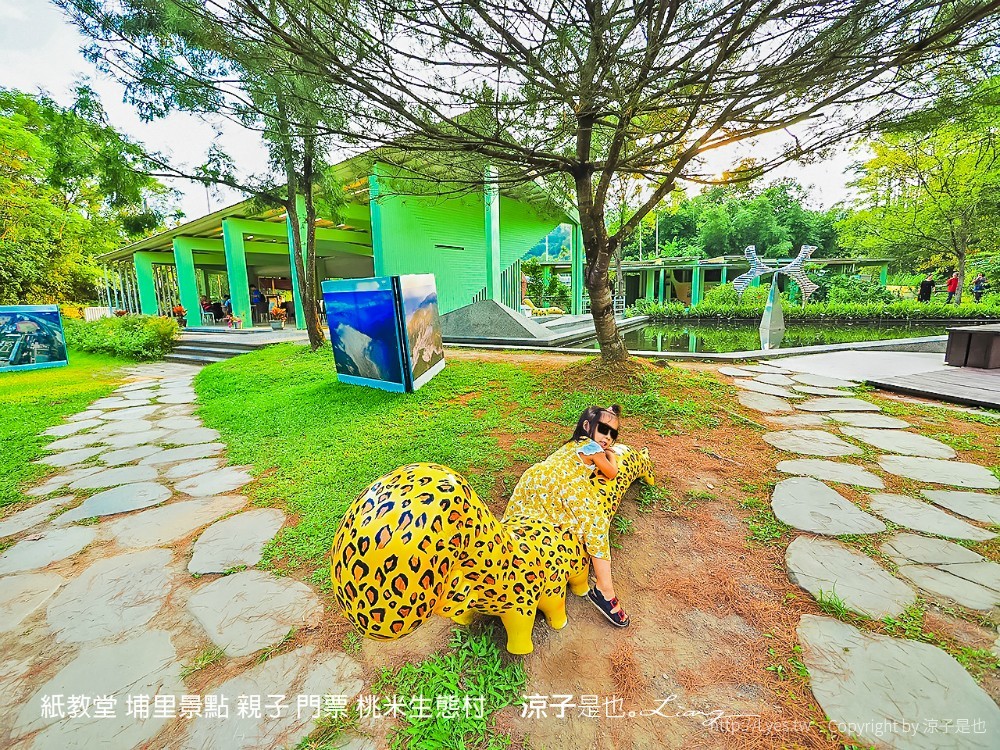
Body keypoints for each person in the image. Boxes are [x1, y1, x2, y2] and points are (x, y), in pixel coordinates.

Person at [503, 405, 630, 628]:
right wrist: (611, 455)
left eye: (613, 435)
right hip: (561, 485)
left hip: (533, 478)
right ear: (587, 427)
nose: (607, 438)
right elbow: (611, 474)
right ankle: (604, 588)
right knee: (596, 523)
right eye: (603, 430)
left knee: (524, 516)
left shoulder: (571, 446)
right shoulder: (592, 447)